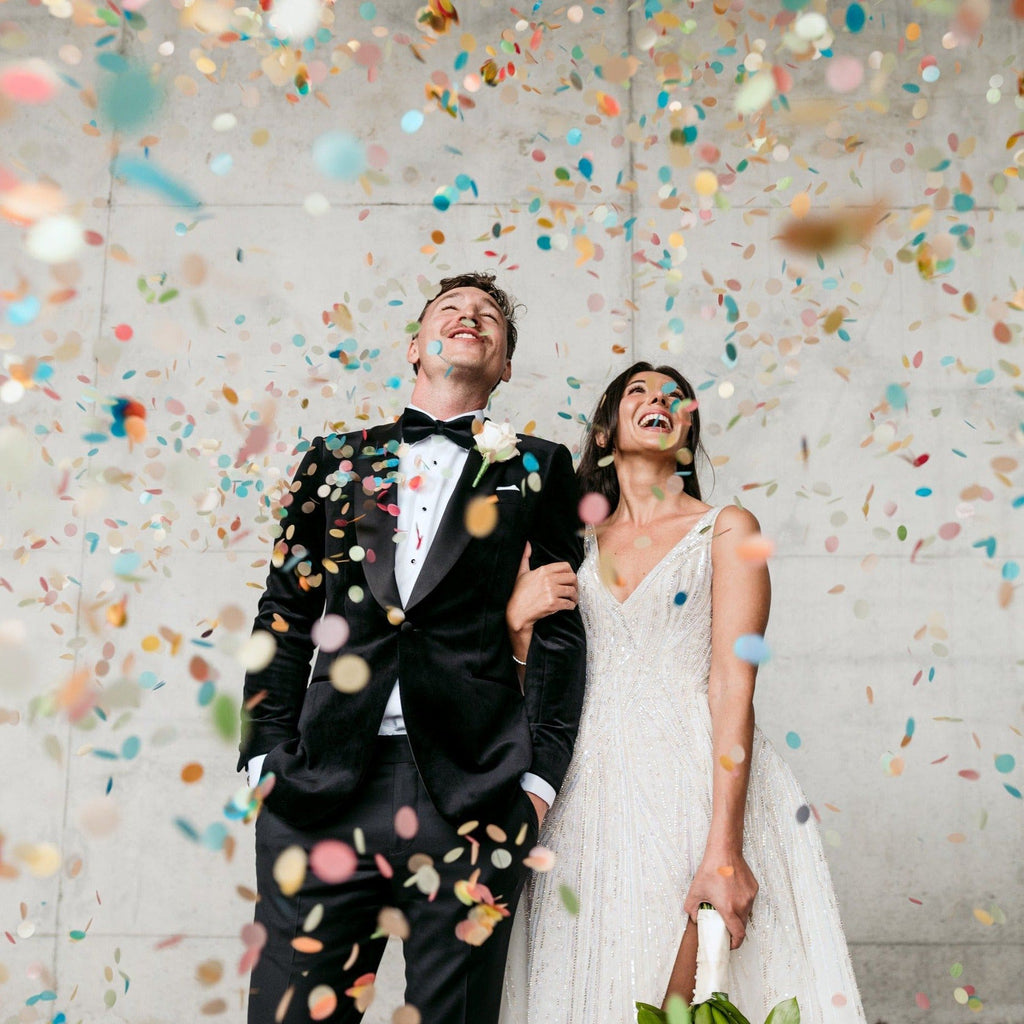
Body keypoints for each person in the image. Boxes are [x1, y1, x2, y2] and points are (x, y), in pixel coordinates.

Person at [238, 272, 587, 1024]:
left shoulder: (539, 467)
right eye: (452, 310)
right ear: (414, 346)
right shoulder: (331, 459)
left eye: (489, 317)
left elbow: (560, 634)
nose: (471, 319)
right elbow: (286, 611)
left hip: (472, 792)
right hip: (321, 784)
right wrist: (265, 756)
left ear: (505, 365)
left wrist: (539, 785)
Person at [501, 362, 866, 1024]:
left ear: (687, 429)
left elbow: (732, 682)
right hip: (581, 798)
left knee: (680, 999)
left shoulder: (729, 529)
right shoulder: (568, 545)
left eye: (673, 396)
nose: (657, 400)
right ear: (607, 432)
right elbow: (537, 690)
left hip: (694, 785)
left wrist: (724, 846)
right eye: (636, 392)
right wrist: (514, 625)